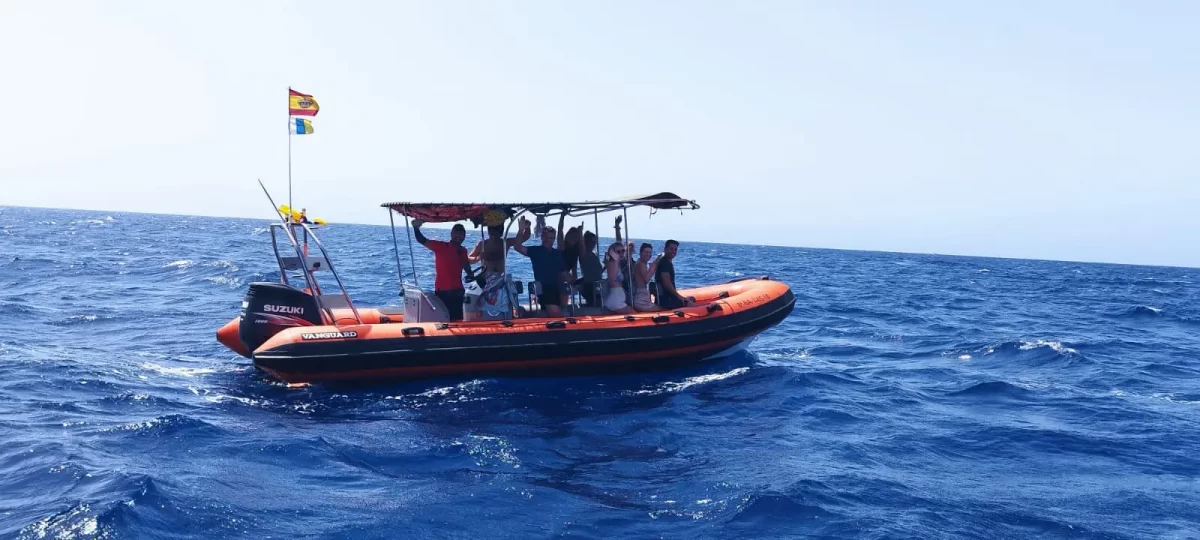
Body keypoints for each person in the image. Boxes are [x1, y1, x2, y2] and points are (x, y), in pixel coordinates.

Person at [411, 219, 474, 321]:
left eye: (462, 234)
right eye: (457, 233)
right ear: (451, 234)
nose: (459, 236)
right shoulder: (441, 246)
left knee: (460, 317)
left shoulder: (463, 251)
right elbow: (421, 240)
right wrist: (415, 228)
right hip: (443, 291)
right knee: (447, 318)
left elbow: (466, 265)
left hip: (458, 290)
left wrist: (471, 274)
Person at [513, 224, 565, 317]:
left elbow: (563, 272)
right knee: (556, 314)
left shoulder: (558, 254)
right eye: (545, 237)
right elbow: (517, 247)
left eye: (551, 238)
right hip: (544, 290)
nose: (548, 240)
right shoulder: (536, 251)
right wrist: (521, 230)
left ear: (554, 239)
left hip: (557, 289)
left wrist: (574, 282)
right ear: (541, 237)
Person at [656, 239, 691, 310]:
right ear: (665, 249)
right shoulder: (665, 263)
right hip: (667, 301)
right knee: (690, 304)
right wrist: (679, 297)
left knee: (691, 299)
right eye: (671, 249)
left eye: (675, 250)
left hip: (666, 299)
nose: (673, 251)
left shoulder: (665, 260)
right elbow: (666, 283)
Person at [603, 243, 635, 313]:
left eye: (623, 250)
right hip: (615, 300)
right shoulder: (612, 263)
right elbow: (612, 279)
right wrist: (615, 258)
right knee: (633, 313)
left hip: (619, 298)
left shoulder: (617, 264)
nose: (621, 253)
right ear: (613, 253)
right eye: (618, 251)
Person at [632, 242, 662, 312]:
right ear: (640, 253)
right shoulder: (641, 264)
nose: (648, 254)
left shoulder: (639, 262)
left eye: (650, 252)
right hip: (642, 301)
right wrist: (654, 264)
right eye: (646, 252)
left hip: (642, 298)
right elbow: (646, 279)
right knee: (664, 311)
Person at [577, 231, 603, 306]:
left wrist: (607, 265)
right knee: (595, 303)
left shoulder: (594, 254)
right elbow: (581, 246)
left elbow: (599, 271)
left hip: (597, 284)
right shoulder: (584, 254)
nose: (593, 243)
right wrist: (580, 233)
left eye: (595, 241)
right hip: (589, 285)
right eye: (591, 241)